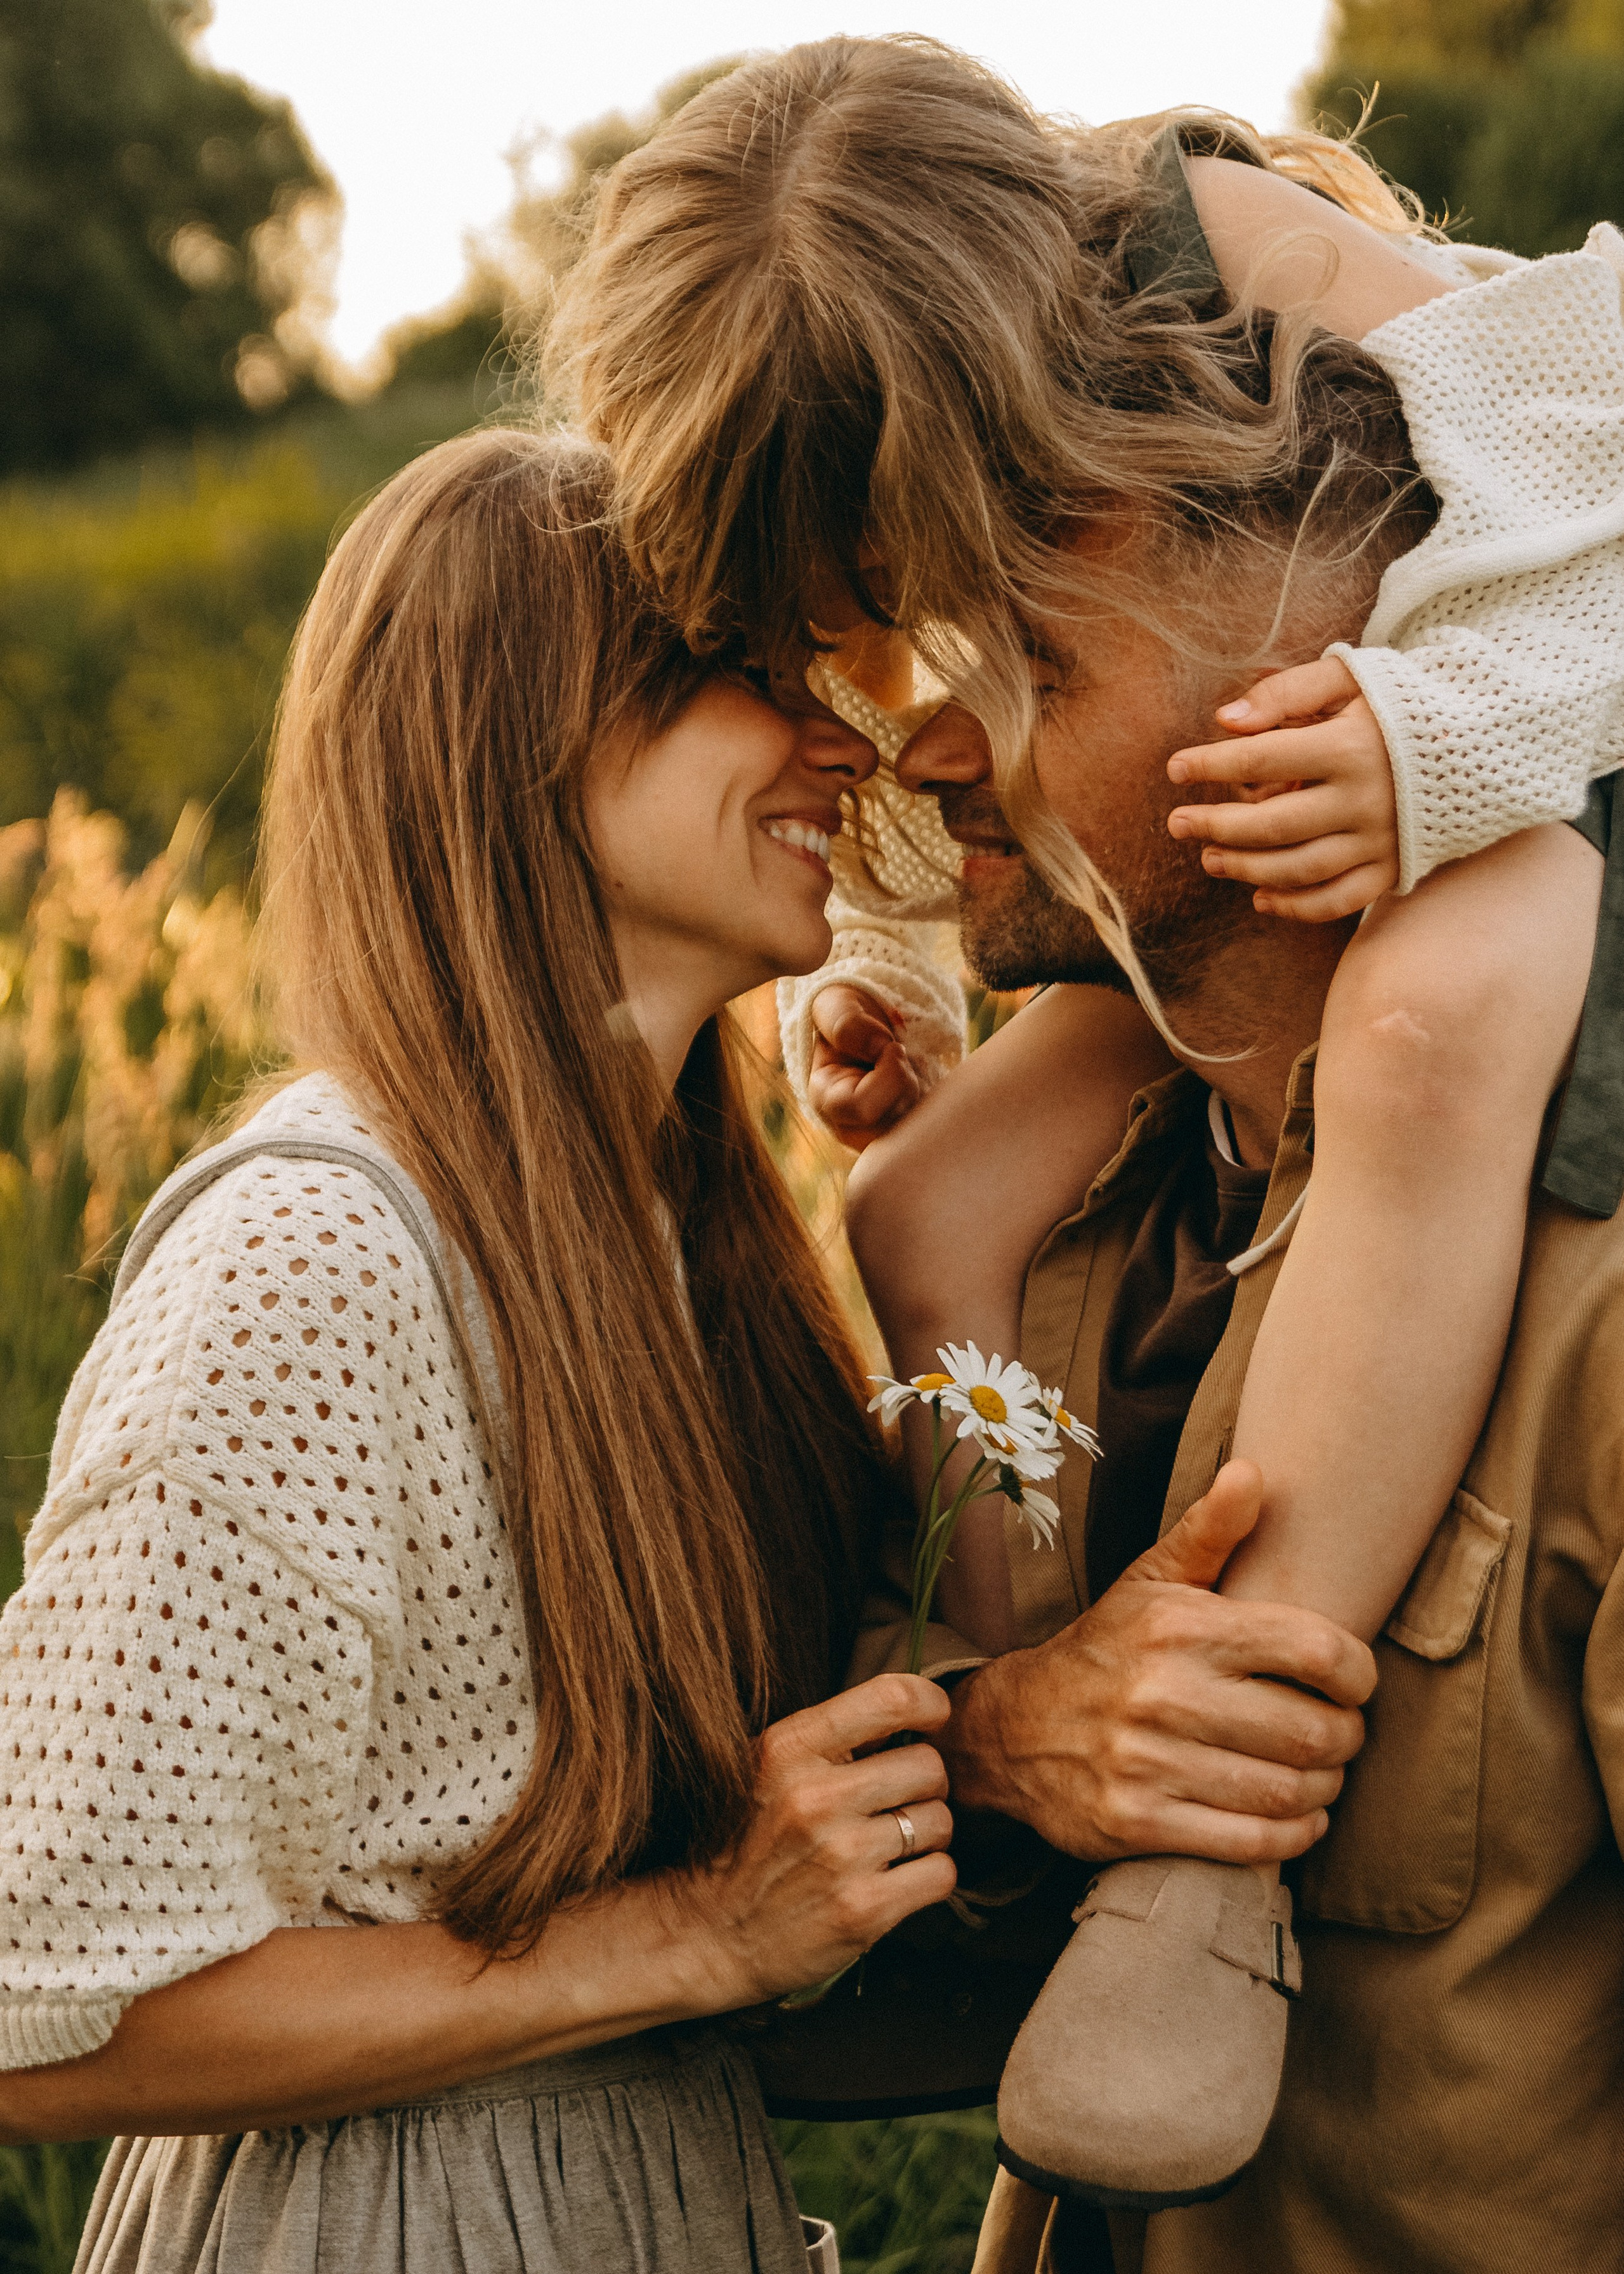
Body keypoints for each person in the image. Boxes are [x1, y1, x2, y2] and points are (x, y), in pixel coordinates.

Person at [546, 32, 1624, 2200]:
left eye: (1008, 644)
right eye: (862, 661)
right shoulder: (1090, 1220)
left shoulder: (1382, 336)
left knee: (1431, 1022)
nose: (921, 749)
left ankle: (1205, 1870)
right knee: (922, 1198)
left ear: (1290, 583)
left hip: (1514, 807)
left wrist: (1438, 739)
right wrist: (1015, 1739)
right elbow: (825, 2000)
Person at [0, 429, 960, 2274]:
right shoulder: (317, 1256)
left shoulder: (688, 1230)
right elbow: (51, 2002)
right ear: (524, 734)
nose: (840, 743)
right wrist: (695, 1934)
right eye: (748, 680)